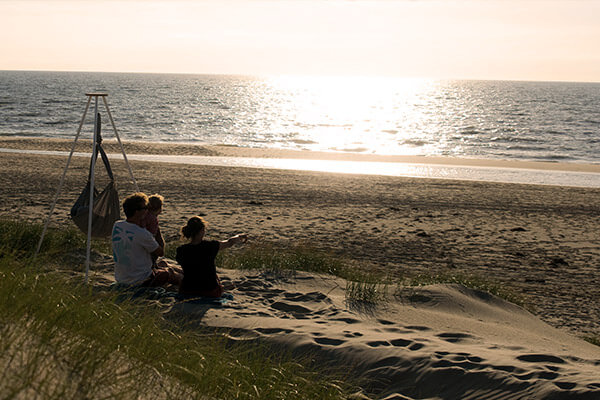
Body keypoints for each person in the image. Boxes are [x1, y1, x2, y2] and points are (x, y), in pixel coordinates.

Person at [112, 192, 182, 287]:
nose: (147, 211)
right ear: (137, 212)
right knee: (170, 274)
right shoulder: (142, 233)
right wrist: (157, 230)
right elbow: (160, 252)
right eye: (145, 208)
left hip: (122, 277)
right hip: (141, 279)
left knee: (163, 263)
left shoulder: (117, 225)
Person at [176, 216, 247, 297]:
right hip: (209, 290)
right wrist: (240, 236)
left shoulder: (181, 250)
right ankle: (223, 288)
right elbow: (230, 242)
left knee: (183, 275)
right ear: (202, 231)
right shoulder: (211, 246)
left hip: (187, 290)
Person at [140, 194, 165, 265]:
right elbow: (152, 234)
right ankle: (152, 263)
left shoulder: (144, 215)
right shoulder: (153, 219)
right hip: (149, 240)